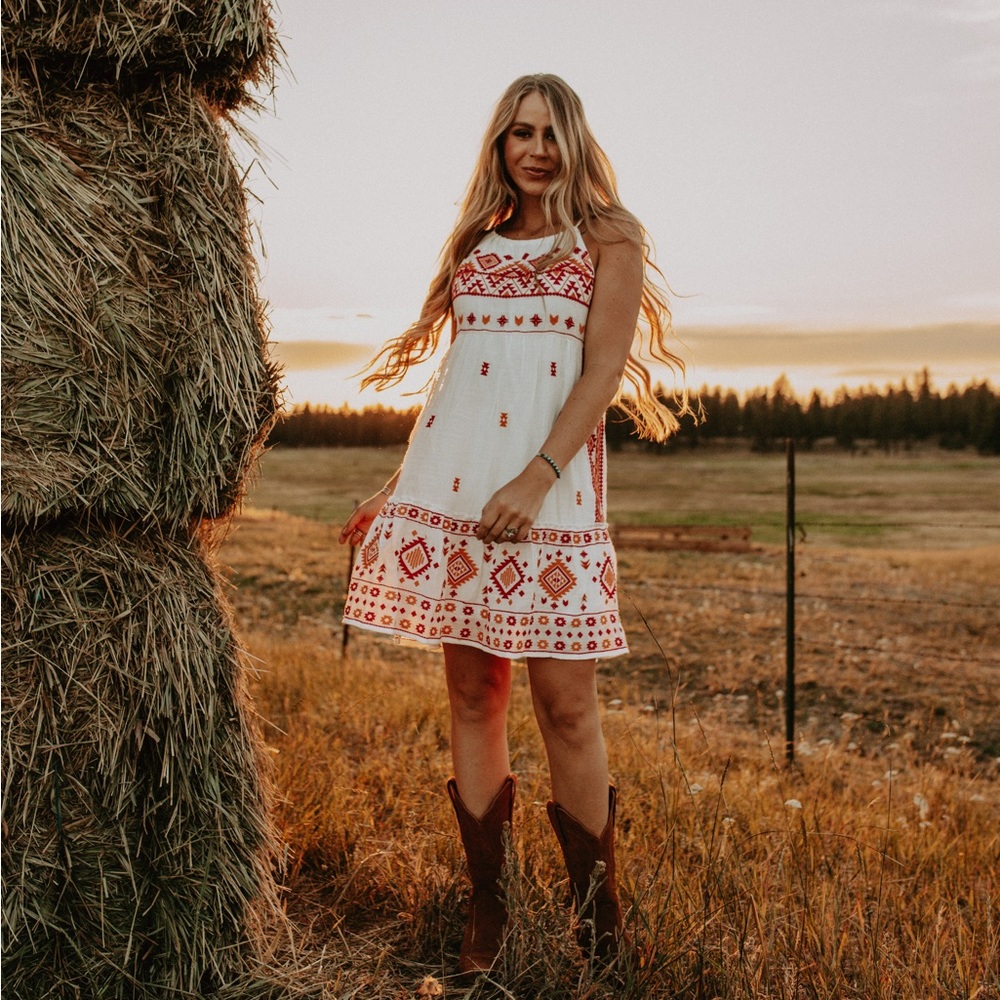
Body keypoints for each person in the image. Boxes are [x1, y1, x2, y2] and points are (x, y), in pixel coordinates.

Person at [339, 73, 690, 975]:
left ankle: (598, 925)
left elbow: (602, 374)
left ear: (574, 142)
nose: (536, 149)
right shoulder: (477, 246)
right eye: (520, 133)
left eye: (551, 132)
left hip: (552, 500)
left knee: (567, 707)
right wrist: (395, 490)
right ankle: (488, 908)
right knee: (473, 698)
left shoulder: (611, 237)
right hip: (458, 500)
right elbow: (457, 391)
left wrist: (538, 479)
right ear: (499, 146)